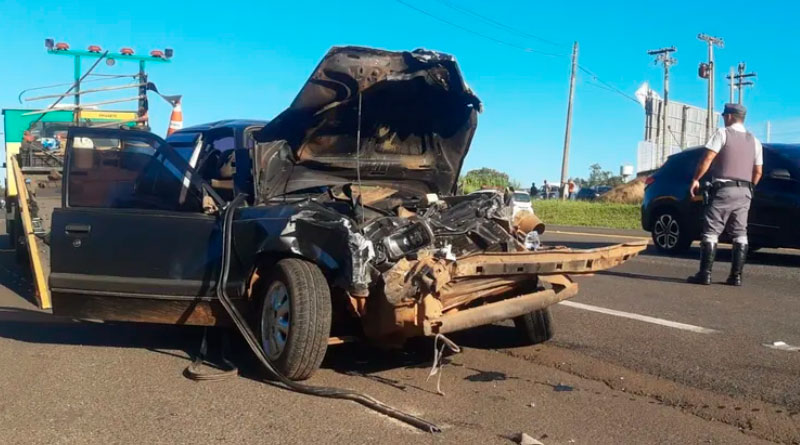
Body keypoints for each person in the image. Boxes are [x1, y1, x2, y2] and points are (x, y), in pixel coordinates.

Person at [687, 103, 762, 286]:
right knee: (740, 232)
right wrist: (750, 187)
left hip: (724, 187)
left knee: (712, 230)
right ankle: (736, 276)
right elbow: (758, 171)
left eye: (724, 115)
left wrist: (696, 179)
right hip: (745, 191)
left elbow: (708, 158)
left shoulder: (722, 133)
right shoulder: (755, 140)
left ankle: (705, 274)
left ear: (729, 116)